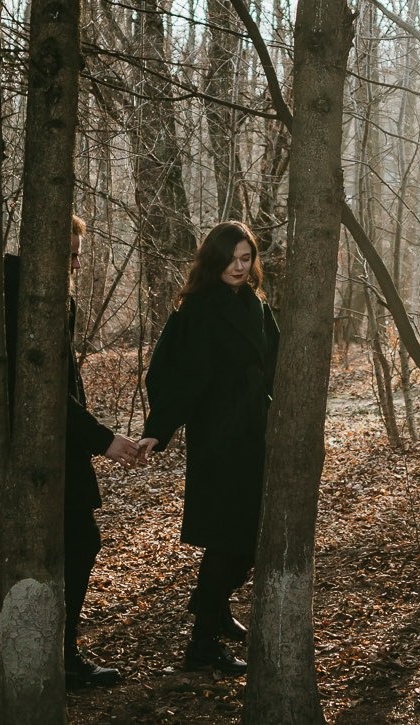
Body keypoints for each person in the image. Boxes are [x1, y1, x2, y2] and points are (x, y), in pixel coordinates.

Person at [0, 215, 149, 690]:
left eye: (76, 255)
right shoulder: (20, 297)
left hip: (37, 441)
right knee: (58, 539)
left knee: (0, 544)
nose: (72, 263)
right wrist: (104, 440)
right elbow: (40, 386)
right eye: (66, 254)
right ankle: (55, 657)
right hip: (19, 442)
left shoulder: (31, 294)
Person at [141, 220, 280, 676]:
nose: (239, 268)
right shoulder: (197, 310)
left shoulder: (256, 304)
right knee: (228, 538)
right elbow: (177, 374)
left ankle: (212, 606)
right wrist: (159, 429)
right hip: (220, 439)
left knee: (252, 538)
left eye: (246, 259)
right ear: (213, 260)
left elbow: (276, 360)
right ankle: (201, 645)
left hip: (256, 435)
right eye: (230, 260)